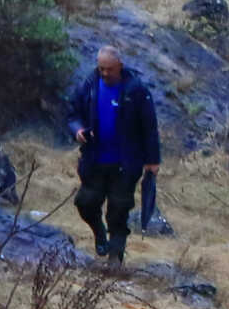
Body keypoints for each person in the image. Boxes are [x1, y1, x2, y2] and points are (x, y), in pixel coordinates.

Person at [65, 46, 160, 263]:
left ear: (120, 66)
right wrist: (78, 130)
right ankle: (100, 234)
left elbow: (150, 127)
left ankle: (115, 256)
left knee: (119, 208)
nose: (105, 73)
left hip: (126, 163)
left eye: (109, 69)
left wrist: (153, 160)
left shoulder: (136, 90)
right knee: (86, 202)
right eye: (101, 69)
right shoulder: (88, 85)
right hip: (94, 159)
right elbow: (72, 113)